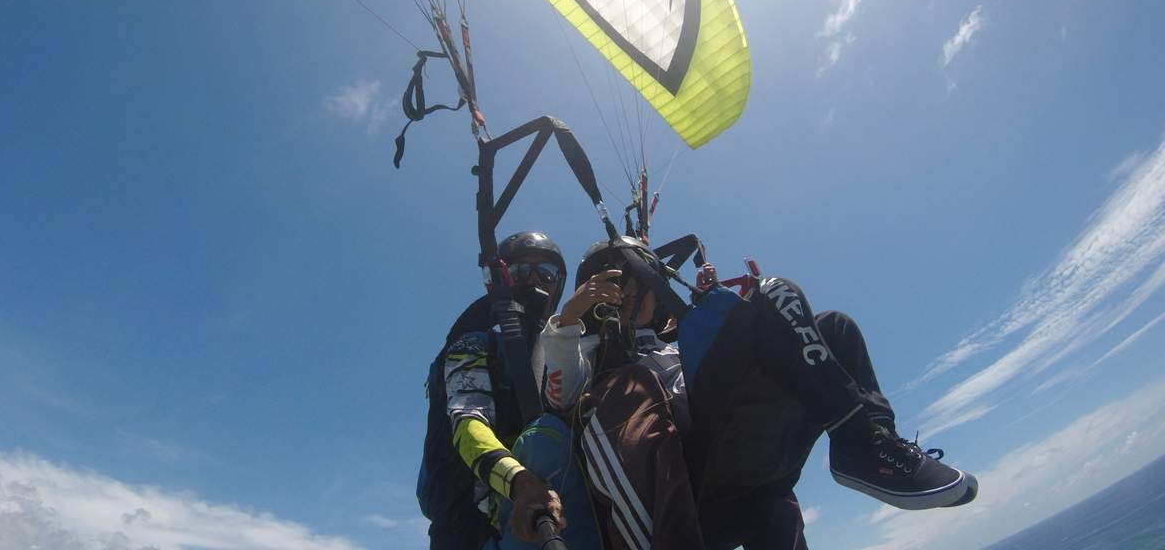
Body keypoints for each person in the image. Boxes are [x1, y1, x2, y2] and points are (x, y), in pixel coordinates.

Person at [542, 237, 978, 550]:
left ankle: (870, 443)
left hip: (747, 457)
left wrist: (726, 312)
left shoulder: (676, 338)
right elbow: (557, 395)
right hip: (693, 469)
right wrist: (567, 320)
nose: (629, 293)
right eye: (615, 283)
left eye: (637, 280)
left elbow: (720, 363)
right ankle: (861, 447)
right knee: (775, 291)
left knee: (834, 327)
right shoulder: (587, 350)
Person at [418, 231, 599, 549]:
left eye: (545, 272)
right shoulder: (474, 345)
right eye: (519, 272)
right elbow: (467, 422)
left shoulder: (569, 357)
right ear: (498, 281)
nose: (533, 281)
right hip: (474, 528)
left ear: (559, 284)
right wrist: (520, 483)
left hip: (562, 516)